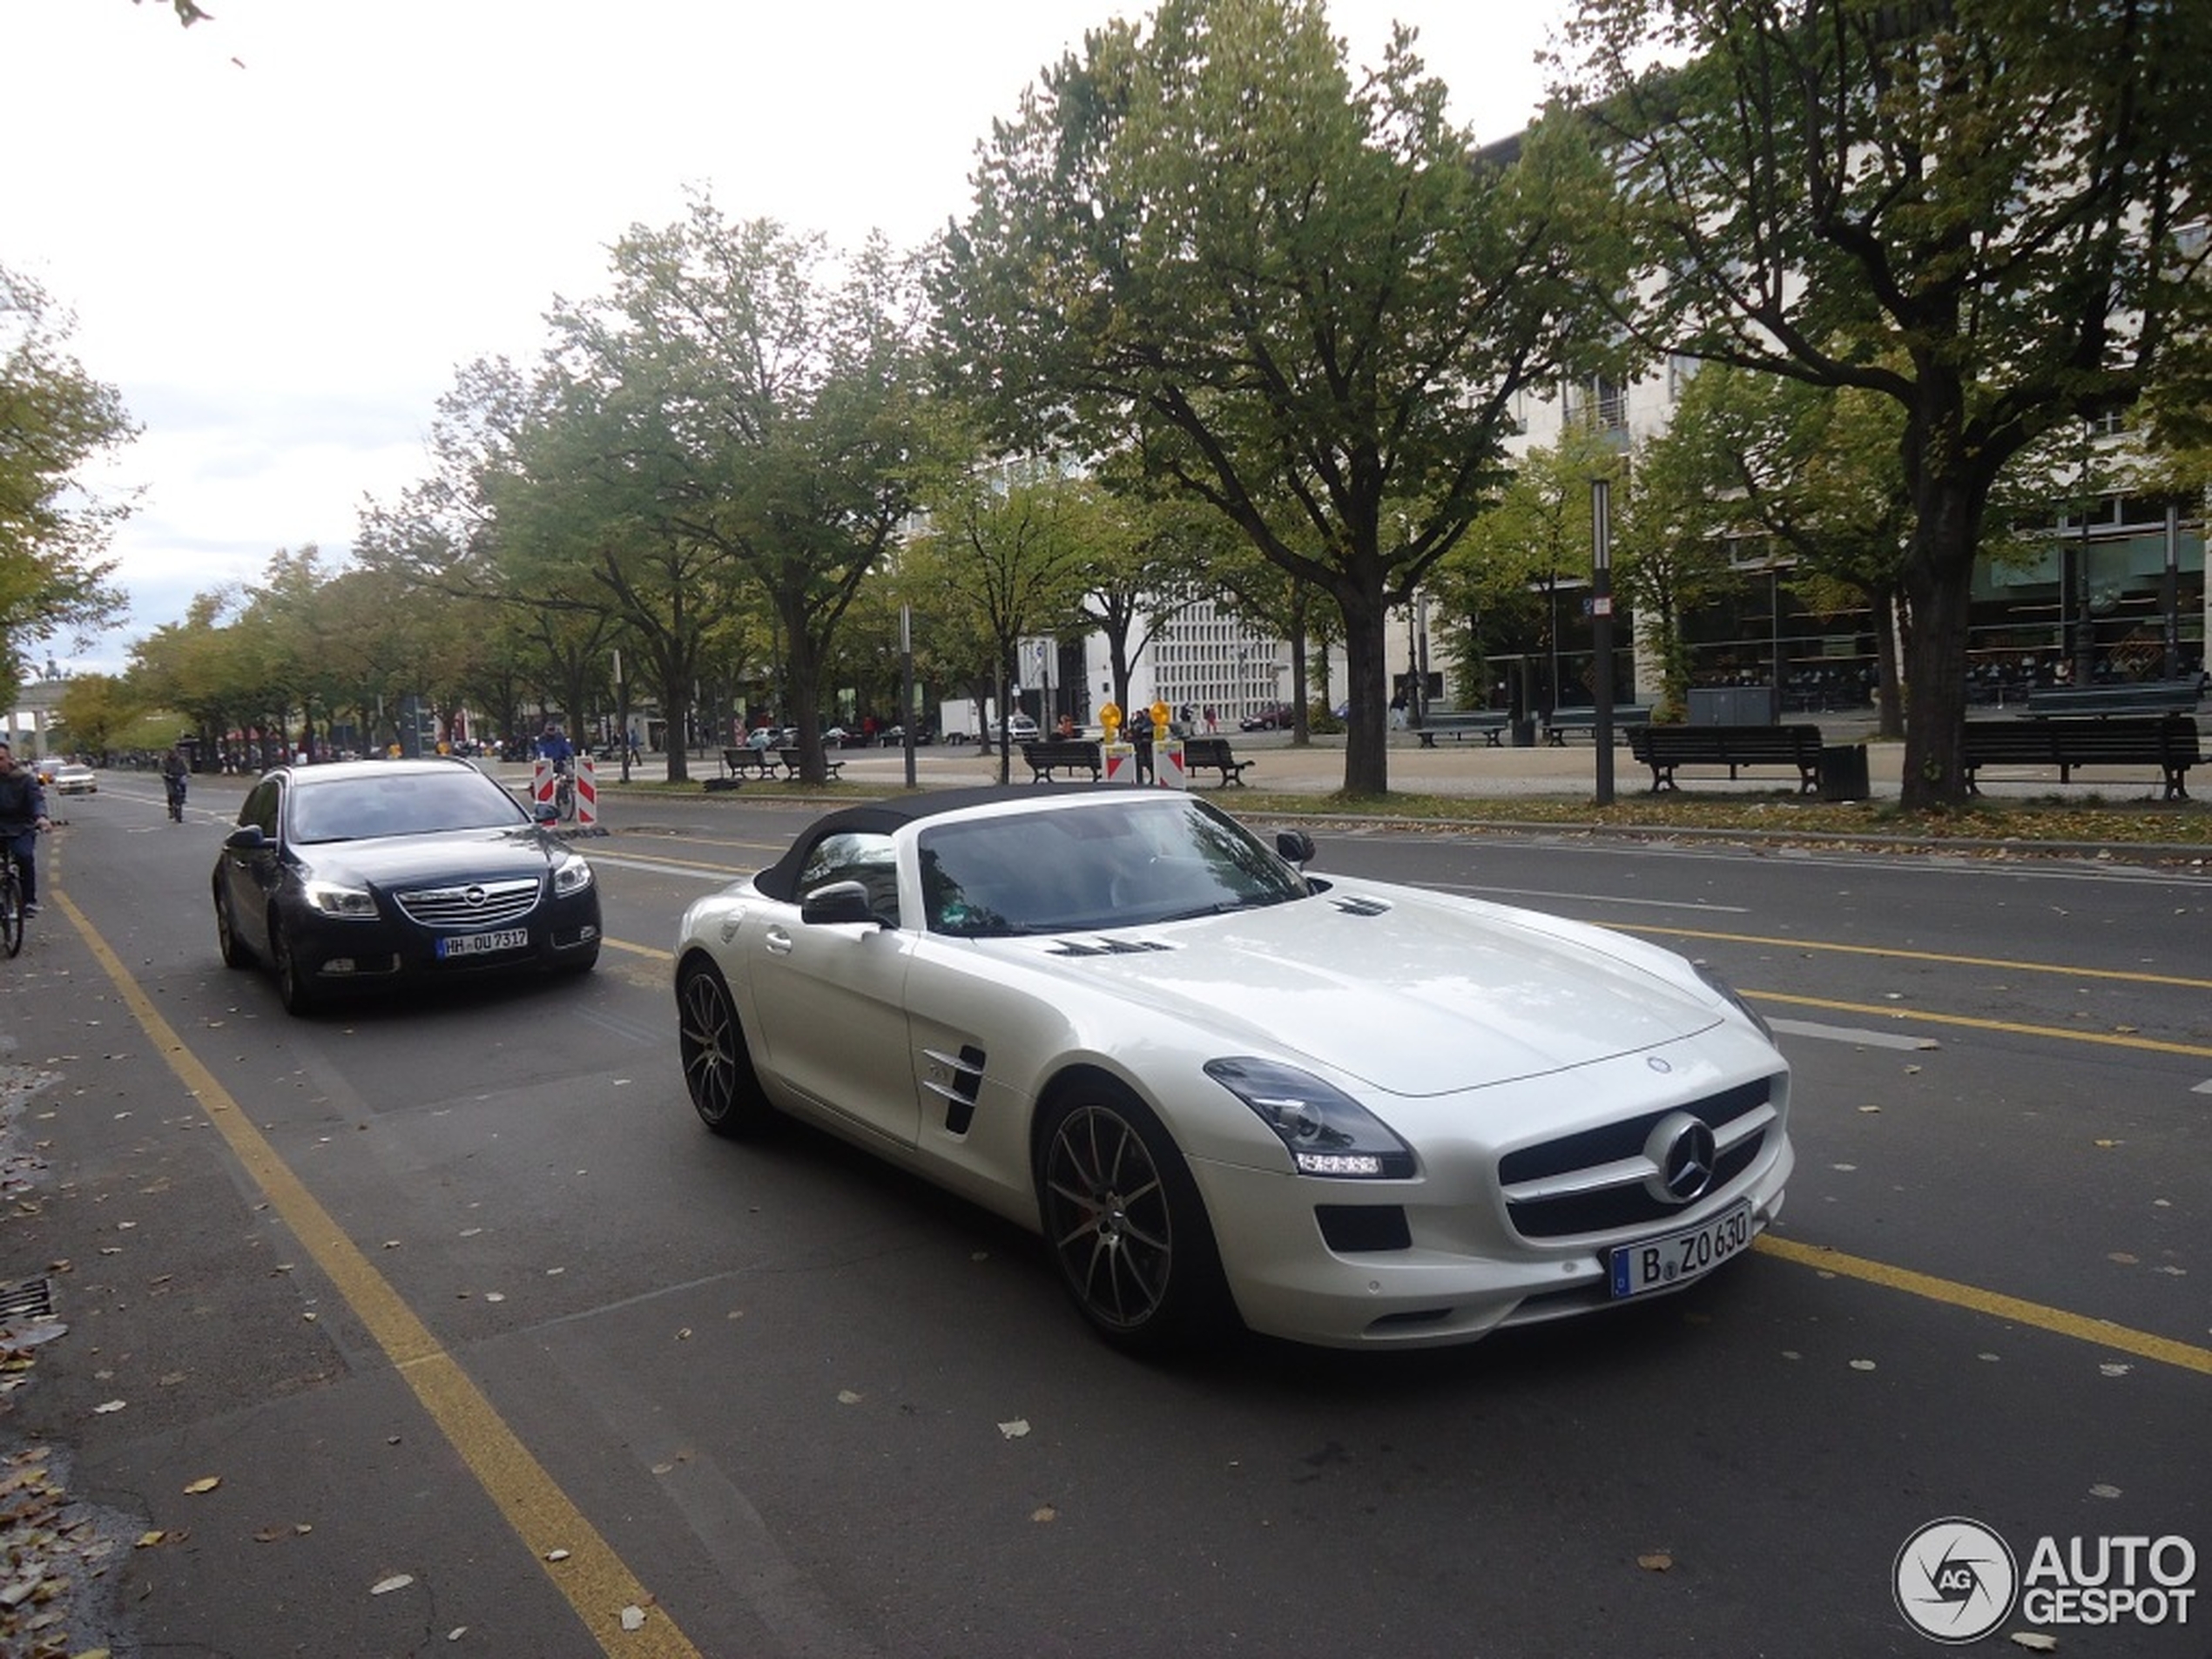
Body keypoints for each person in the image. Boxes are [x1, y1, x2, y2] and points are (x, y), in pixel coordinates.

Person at [0, 743, 53, 917]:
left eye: (1, 759)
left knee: (24, 856)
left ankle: (29, 901)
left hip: (20, 826)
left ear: (9, 759)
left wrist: (41, 818)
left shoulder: (24, 779)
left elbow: (36, 800)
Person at [159, 745, 190, 820]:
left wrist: (187, 773)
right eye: (171, 753)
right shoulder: (166, 761)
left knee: (183, 783)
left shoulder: (180, 760)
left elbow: (185, 768)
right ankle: (171, 808)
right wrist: (165, 774)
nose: (173, 755)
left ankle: (183, 796)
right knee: (171, 793)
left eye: (174, 753)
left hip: (179, 776)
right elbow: (163, 769)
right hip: (169, 778)